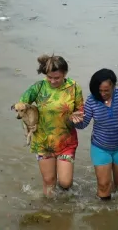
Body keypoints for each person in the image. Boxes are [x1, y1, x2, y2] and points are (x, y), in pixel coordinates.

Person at [72, 68, 118, 200]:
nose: (103, 94)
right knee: (104, 185)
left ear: (113, 86)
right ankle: (104, 213)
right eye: (99, 90)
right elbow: (83, 124)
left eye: (106, 90)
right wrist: (74, 120)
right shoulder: (91, 100)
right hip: (100, 147)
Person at [18, 54, 84, 197]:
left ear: (64, 74)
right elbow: (21, 105)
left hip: (66, 141)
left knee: (65, 182)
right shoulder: (38, 87)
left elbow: (81, 111)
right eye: (50, 77)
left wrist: (76, 117)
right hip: (43, 140)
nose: (53, 81)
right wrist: (28, 122)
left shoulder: (74, 87)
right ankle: (49, 211)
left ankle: (65, 202)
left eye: (57, 78)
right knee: (49, 181)